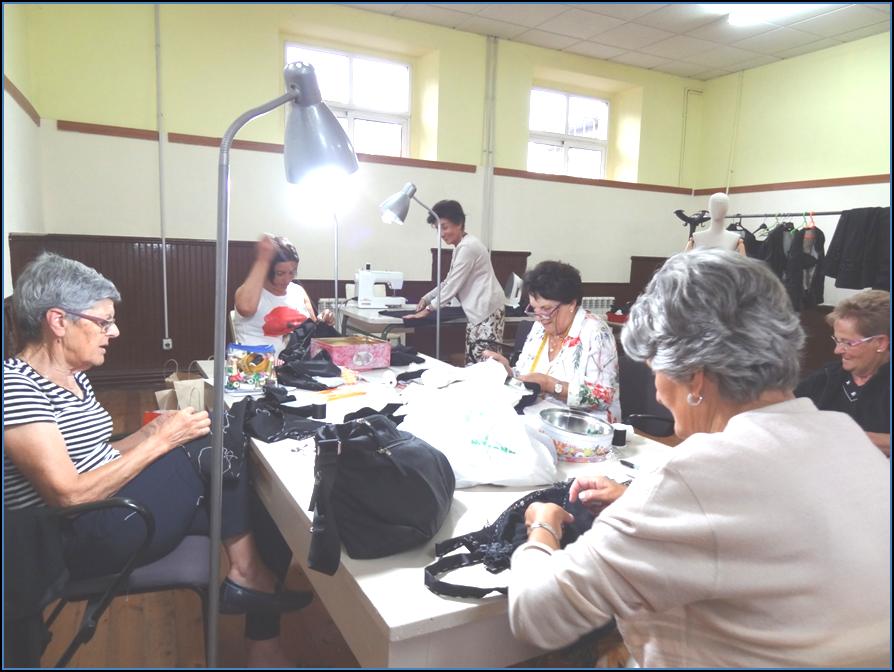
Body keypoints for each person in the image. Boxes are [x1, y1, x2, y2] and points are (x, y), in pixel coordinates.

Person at [508, 250, 890, 668]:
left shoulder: (702, 474)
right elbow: (766, 533)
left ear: (696, 376)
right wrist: (645, 508)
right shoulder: (845, 437)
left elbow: (536, 613)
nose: (655, 391)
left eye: (657, 370)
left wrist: (542, 524)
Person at [3, 253, 310, 667]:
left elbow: (100, 457)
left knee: (260, 503)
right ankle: (247, 574)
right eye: (102, 321)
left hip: (106, 509)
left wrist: (152, 432)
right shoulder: (16, 386)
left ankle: (262, 640)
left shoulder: (71, 375)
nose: (114, 331)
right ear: (58, 322)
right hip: (76, 537)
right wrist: (162, 440)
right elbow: (68, 495)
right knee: (214, 439)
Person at [483, 261, 620, 423]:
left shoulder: (595, 332)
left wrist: (551, 385)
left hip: (585, 425)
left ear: (571, 303)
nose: (540, 317)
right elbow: (528, 376)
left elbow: (604, 398)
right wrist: (509, 371)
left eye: (546, 309)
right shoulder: (540, 327)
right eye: (534, 308)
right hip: (539, 415)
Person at [405, 200, 505, 364]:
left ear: (459, 223)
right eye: (438, 229)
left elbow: (453, 285)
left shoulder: (468, 247)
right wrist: (427, 298)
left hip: (486, 311)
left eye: (444, 227)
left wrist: (428, 309)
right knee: (473, 360)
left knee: (485, 365)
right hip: (478, 311)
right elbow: (449, 281)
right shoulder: (462, 246)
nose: (442, 234)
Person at [796, 289, 890, 456]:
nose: (837, 350)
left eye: (848, 343)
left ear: (881, 343)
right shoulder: (827, 377)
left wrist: (842, 434)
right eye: (837, 340)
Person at [233, 234, 334, 357]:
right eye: (280, 273)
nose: (287, 279)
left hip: (294, 366)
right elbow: (245, 308)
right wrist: (263, 259)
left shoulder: (298, 291)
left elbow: (310, 331)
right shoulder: (251, 293)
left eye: (292, 272)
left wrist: (323, 321)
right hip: (257, 367)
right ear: (267, 270)